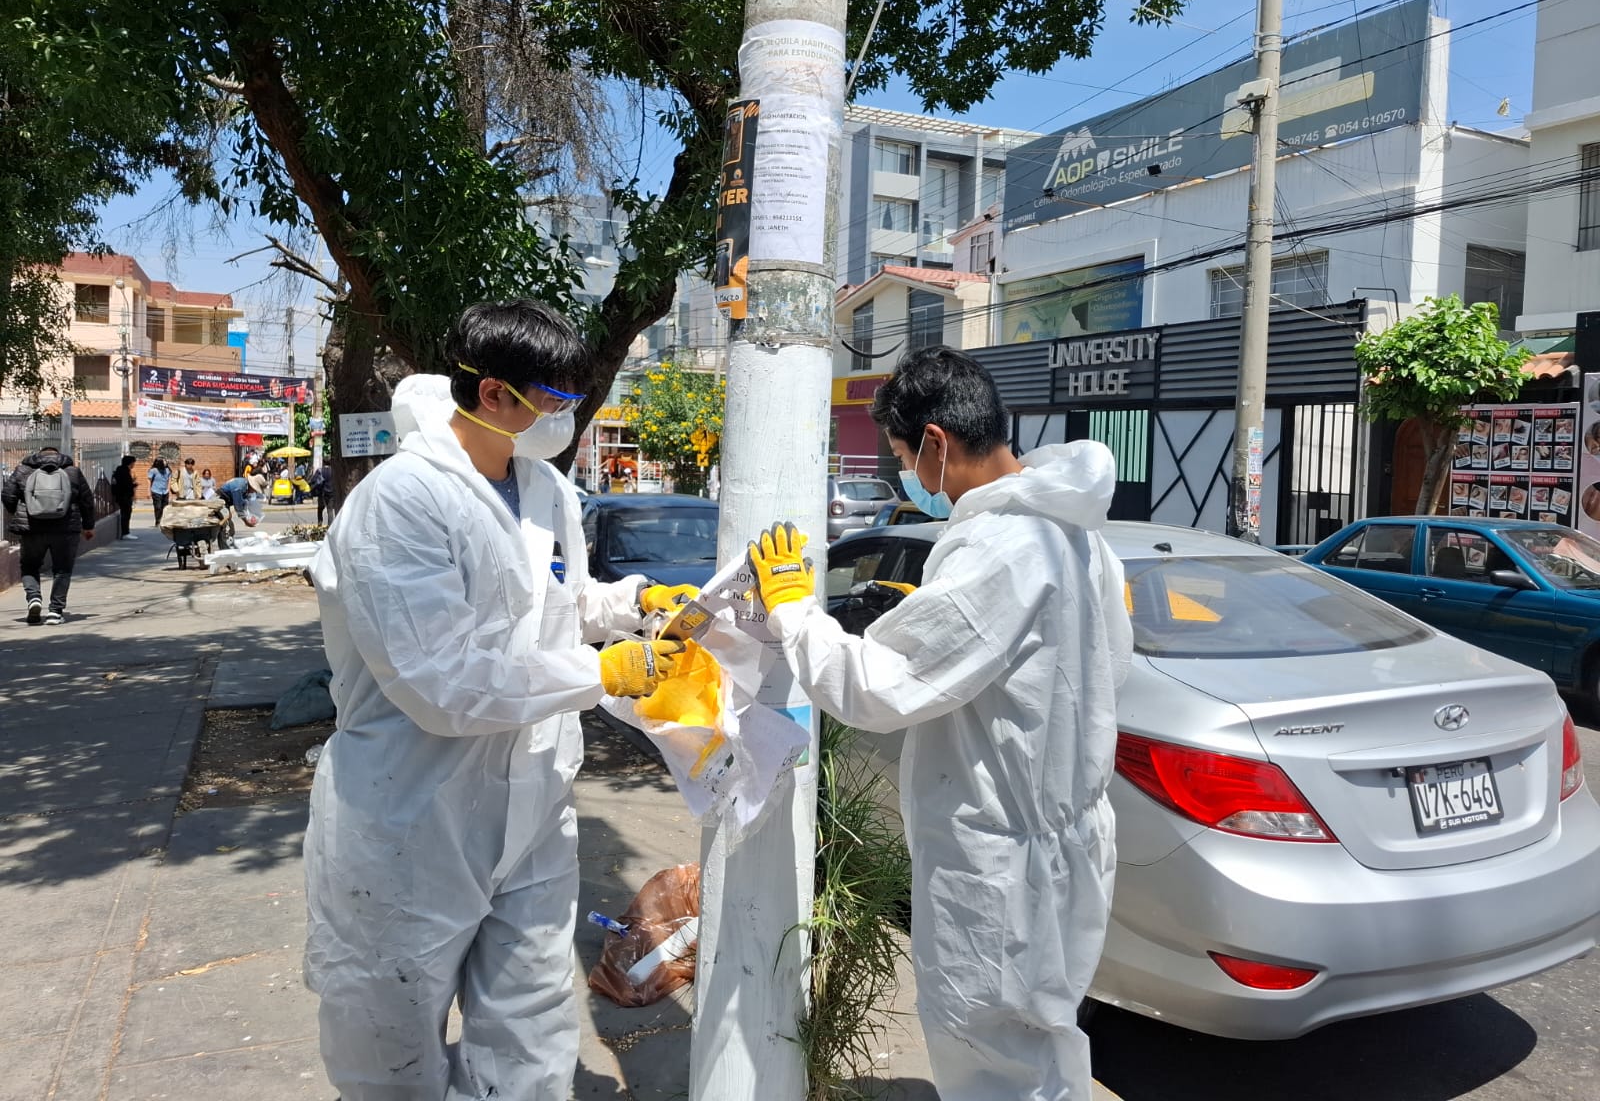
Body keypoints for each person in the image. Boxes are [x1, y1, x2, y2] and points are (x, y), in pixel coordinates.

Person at [303, 300, 695, 1101]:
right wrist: (606, 673)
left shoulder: (545, 488)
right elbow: (442, 683)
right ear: (490, 394)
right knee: (392, 1033)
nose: (564, 416)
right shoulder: (402, 502)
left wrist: (638, 603)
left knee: (533, 1021)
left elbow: (557, 603)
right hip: (413, 812)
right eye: (552, 399)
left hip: (532, 803)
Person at [745, 346, 1132, 1101]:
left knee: (992, 1060)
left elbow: (875, 688)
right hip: (1069, 841)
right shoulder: (1080, 536)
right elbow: (1106, 668)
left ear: (935, 444)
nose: (907, 478)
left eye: (901, 456)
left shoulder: (1003, 548)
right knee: (1045, 1045)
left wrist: (793, 608)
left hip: (1001, 862)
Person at [2, 446, 97, 625]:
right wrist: (89, 526)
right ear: (59, 455)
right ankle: (55, 611)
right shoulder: (72, 472)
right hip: (66, 530)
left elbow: (8, 495)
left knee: (30, 566)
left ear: (38, 455)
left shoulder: (24, 470)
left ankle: (34, 598)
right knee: (62, 569)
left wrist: (18, 511)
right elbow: (87, 500)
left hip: (32, 529)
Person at [111, 454, 137, 540]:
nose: (134, 465)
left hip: (120, 496)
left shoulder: (119, 471)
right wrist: (133, 485)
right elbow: (126, 485)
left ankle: (126, 532)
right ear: (130, 463)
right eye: (133, 463)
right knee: (126, 514)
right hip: (124, 496)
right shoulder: (124, 472)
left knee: (125, 514)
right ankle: (125, 532)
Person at [147, 457, 172, 525]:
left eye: (165, 461)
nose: (165, 462)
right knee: (158, 507)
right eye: (163, 461)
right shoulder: (153, 470)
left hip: (165, 491)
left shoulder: (167, 470)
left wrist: (168, 490)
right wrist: (148, 491)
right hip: (156, 491)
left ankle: (163, 521)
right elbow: (149, 481)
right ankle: (158, 521)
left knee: (165, 507)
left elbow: (169, 480)